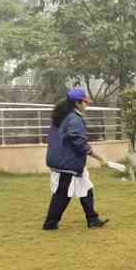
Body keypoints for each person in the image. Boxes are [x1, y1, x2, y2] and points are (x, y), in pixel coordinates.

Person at [43, 88, 109, 230]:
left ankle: (92, 219)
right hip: (66, 164)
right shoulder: (74, 119)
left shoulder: (63, 115)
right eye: (85, 102)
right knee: (62, 194)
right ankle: (50, 223)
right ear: (78, 103)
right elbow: (79, 142)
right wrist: (99, 158)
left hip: (69, 162)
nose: (87, 105)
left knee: (86, 188)